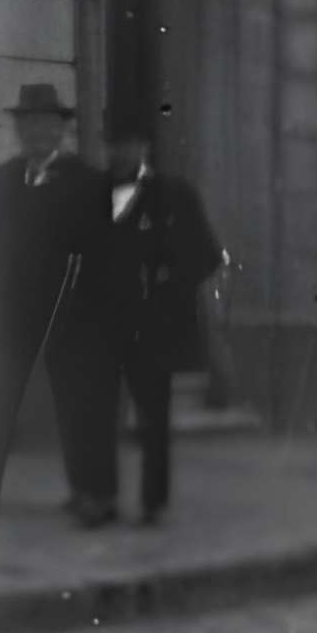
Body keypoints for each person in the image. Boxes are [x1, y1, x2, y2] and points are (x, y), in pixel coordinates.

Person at [0, 84, 114, 522]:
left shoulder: (88, 181)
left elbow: (100, 252)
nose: (37, 132)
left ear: (61, 130)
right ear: (19, 129)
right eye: (29, 123)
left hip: (70, 309)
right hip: (13, 310)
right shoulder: (2, 179)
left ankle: (90, 493)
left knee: (78, 401)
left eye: (47, 123)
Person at [97, 116, 226, 527]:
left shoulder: (174, 194)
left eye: (131, 144)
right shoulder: (93, 193)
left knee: (153, 419)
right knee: (98, 416)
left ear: (145, 149)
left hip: (153, 328)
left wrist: (167, 284)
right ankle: (101, 498)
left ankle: (153, 502)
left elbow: (207, 256)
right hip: (105, 326)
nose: (122, 152)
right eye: (116, 144)